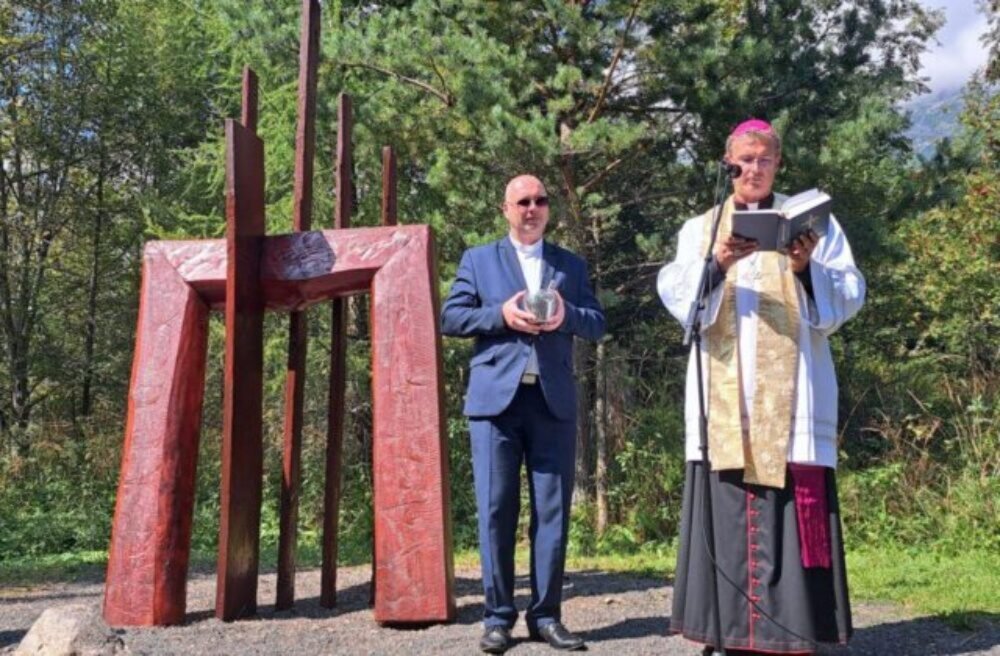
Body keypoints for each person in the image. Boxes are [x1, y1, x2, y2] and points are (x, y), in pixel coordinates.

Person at [657, 119, 865, 655]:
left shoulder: (816, 223)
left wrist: (803, 267)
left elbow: (848, 295)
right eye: (744, 160)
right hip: (726, 399)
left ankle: (794, 632)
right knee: (725, 512)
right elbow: (679, 300)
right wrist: (718, 265)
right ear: (729, 163)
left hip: (793, 393)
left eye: (765, 159)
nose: (754, 169)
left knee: (793, 512)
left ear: (778, 164)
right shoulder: (701, 228)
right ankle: (725, 632)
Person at [441, 174, 605, 654]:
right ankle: (497, 618)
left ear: (548, 208)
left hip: (552, 402)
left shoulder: (569, 265)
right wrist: (501, 315)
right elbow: (451, 317)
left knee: (552, 512)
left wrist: (565, 316)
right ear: (505, 209)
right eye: (523, 202)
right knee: (496, 510)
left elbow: (596, 322)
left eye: (540, 201)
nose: (532, 208)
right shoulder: (478, 259)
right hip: (495, 403)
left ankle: (547, 616)